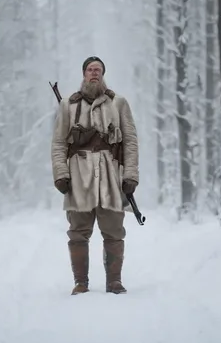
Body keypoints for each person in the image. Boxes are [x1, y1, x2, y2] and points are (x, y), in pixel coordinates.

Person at [50, 56, 139, 295]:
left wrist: (130, 175)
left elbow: (130, 141)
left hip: (111, 175)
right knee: (78, 232)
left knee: (113, 230)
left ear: (103, 74)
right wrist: (61, 174)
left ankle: (114, 282)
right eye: (90, 69)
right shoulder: (68, 104)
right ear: (84, 74)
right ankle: (81, 283)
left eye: (98, 70)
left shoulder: (118, 103)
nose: (94, 73)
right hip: (78, 177)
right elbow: (59, 143)